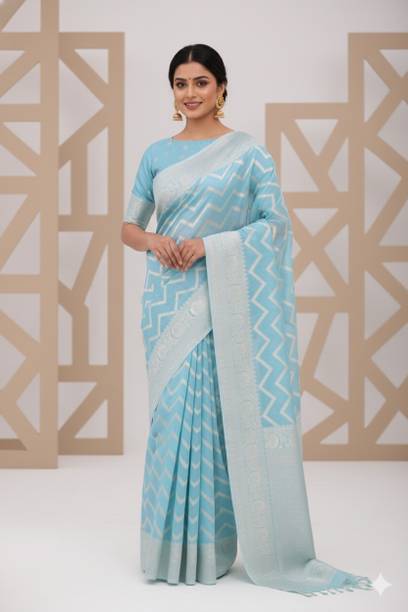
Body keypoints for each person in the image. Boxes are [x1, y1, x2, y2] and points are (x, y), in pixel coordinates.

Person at [121, 43, 374, 597]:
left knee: (216, 420)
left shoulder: (249, 154)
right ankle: (167, 549)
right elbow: (129, 228)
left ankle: (211, 549)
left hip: (224, 300)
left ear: (221, 88)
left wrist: (208, 245)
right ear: (172, 91)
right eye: (181, 83)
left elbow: (275, 225)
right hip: (167, 303)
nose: (190, 93)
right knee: (172, 423)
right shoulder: (156, 155)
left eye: (201, 82)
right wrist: (156, 241)